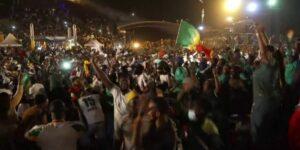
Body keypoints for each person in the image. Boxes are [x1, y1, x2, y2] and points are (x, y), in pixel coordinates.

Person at [250, 25, 283, 149]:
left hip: (262, 105)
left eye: (263, 53)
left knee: (260, 135)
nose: (260, 53)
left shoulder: (268, 66)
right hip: (266, 102)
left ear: (269, 57)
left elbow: (265, 49)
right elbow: (268, 47)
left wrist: (258, 34)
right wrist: (262, 33)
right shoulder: (273, 66)